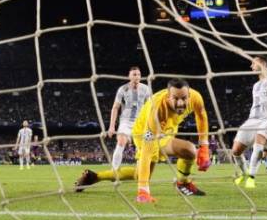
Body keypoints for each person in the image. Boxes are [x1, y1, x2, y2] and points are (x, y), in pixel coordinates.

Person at [75, 79, 211, 203]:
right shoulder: (156, 108)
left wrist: (204, 146)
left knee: (140, 173)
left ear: (189, 95)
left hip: (166, 130)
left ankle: (95, 177)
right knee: (188, 150)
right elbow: (147, 150)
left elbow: (201, 115)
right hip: (143, 132)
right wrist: (143, 190)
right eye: (175, 99)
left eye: (184, 98)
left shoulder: (195, 97)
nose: (181, 103)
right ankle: (182, 183)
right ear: (168, 97)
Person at [231, 56, 267, 188]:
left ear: (262, 64)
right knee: (236, 151)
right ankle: (244, 174)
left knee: (259, 143)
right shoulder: (255, 86)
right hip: (252, 119)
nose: (251, 66)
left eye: (253, 63)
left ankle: (251, 177)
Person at [107, 66, 152, 171]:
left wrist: (151, 124)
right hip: (126, 122)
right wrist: (111, 126)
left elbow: (150, 107)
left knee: (145, 146)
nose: (137, 77)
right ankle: (114, 171)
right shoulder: (122, 89)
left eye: (139, 75)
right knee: (121, 141)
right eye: (134, 74)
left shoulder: (146, 89)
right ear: (129, 76)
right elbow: (115, 107)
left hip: (141, 122)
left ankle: (141, 170)